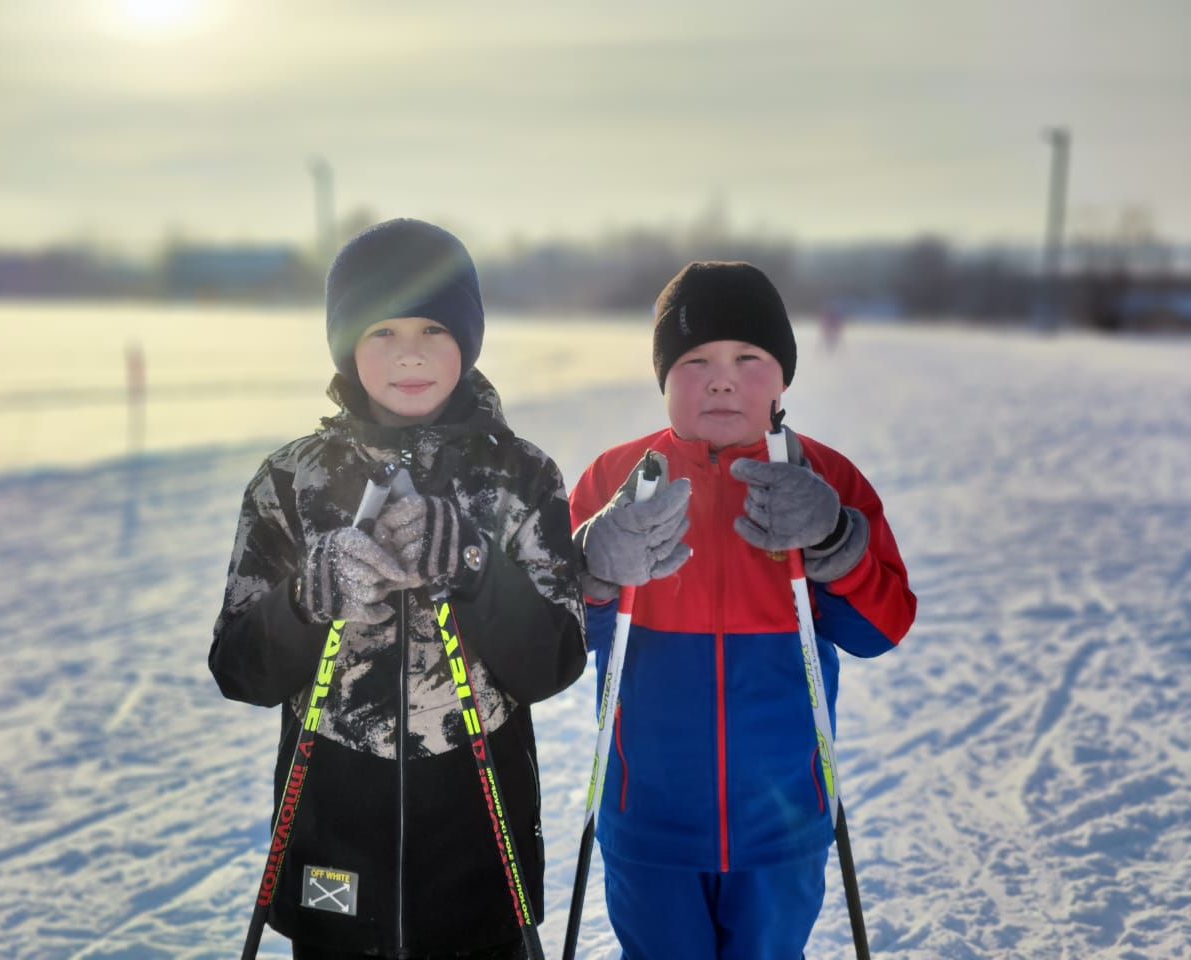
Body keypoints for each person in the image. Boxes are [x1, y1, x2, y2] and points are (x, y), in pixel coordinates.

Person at [210, 218, 586, 959]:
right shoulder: (290, 482)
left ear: (468, 339)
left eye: (432, 329)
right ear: (346, 342)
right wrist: (306, 601)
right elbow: (240, 670)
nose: (409, 352)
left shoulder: (522, 477)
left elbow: (551, 663)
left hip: (481, 827)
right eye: (382, 330)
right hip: (334, 817)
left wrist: (473, 568)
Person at [569, 261, 916, 960]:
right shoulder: (618, 479)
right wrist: (593, 570)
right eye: (694, 361)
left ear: (782, 377)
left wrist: (836, 541)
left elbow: (881, 628)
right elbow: (556, 639)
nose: (721, 378)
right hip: (648, 823)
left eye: (748, 357)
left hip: (782, 826)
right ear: (664, 378)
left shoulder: (825, 476)